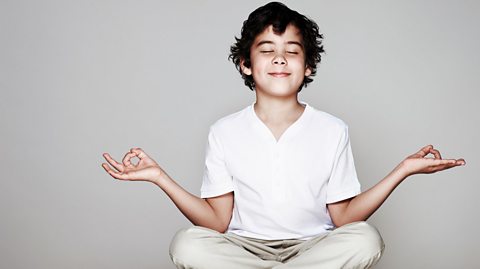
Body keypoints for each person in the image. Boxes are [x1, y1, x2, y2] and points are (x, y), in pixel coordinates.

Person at [101, 2, 466, 268]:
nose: (279, 60)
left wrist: (402, 170)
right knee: (188, 244)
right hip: (244, 251)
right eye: (267, 51)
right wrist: (159, 177)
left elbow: (344, 219)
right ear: (246, 63)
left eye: (291, 52)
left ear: (307, 67)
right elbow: (216, 223)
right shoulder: (224, 131)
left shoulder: (331, 129)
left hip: (314, 249)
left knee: (365, 239)